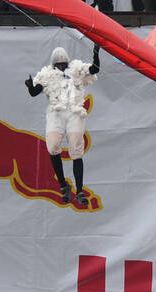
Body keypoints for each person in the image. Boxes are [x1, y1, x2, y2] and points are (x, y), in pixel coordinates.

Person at [25, 45, 101, 206]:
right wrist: (30, 86)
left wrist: (96, 52)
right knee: (52, 147)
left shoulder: (76, 70)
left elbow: (94, 69)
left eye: (63, 64)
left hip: (74, 113)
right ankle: (63, 185)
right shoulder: (46, 75)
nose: (61, 66)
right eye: (58, 64)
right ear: (53, 65)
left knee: (76, 149)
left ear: (67, 63)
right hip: (55, 114)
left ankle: (79, 190)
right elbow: (34, 92)